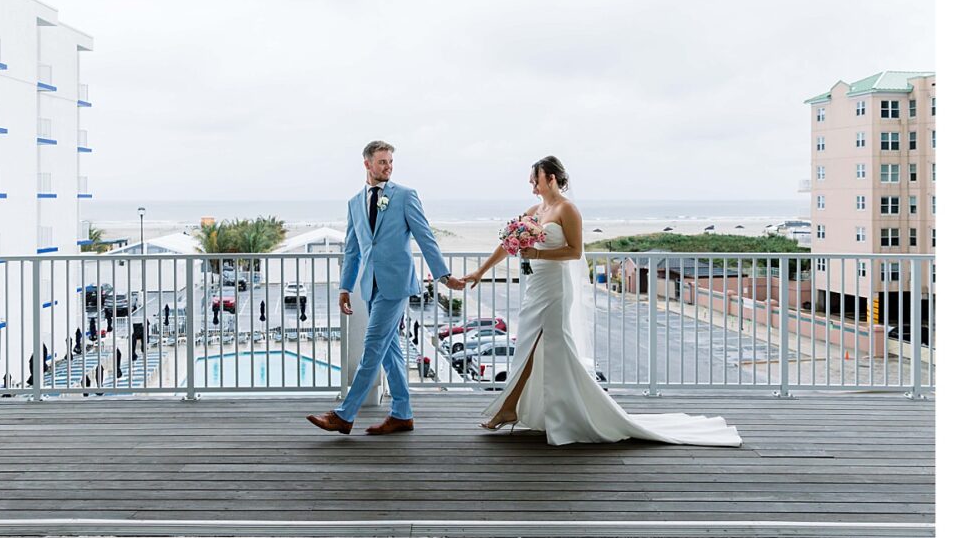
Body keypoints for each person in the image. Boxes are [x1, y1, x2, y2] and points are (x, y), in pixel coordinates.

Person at [464, 156, 742, 447]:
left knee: (545, 346)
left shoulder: (567, 209)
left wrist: (538, 254)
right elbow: (508, 244)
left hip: (556, 287)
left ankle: (511, 408)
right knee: (532, 345)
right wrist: (481, 271)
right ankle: (545, 409)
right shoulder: (535, 211)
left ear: (551, 179)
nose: (532, 186)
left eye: (536, 180)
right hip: (536, 286)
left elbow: (574, 252)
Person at [307, 140, 463, 435]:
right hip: (370, 286)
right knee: (390, 351)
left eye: (390, 162)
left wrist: (443, 275)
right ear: (367, 164)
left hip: (396, 284)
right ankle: (402, 414)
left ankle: (344, 414)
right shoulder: (354, 203)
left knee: (373, 345)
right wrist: (345, 288)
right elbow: (353, 250)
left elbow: (425, 237)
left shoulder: (404, 196)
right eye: (382, 162)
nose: (388, 167)